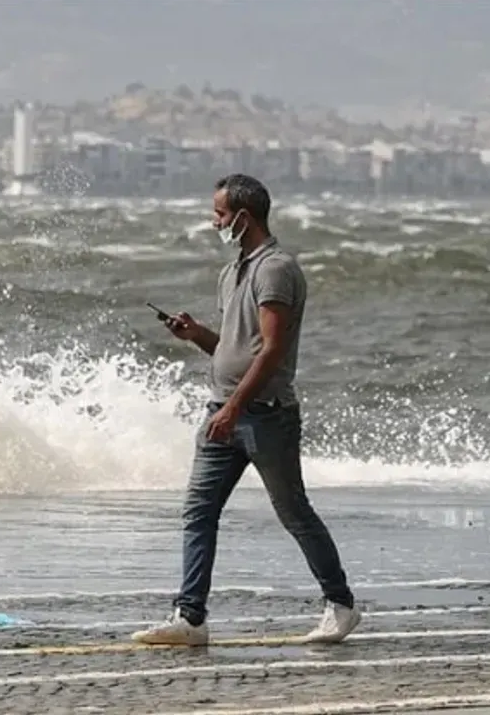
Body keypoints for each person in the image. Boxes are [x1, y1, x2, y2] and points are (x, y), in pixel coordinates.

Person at [132, 173, 360, 647]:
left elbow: (272, 350)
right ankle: (190, 618)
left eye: (218, 214)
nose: (212, 221)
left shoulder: (275, 269)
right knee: (198, 512)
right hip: (225, 412)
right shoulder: (233, 270)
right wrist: (198, 336)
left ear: (242, 217)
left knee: (294, 512)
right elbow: (236, 347)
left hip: (263, 415)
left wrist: (235, 407)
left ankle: (340, 605)